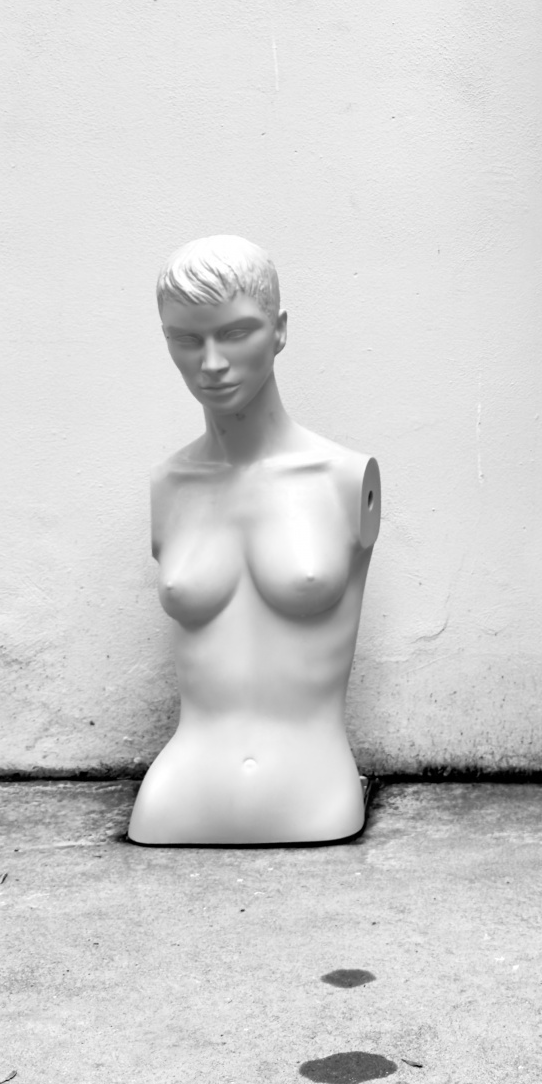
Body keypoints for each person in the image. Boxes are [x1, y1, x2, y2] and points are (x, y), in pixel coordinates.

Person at [128, 235, 380, 846]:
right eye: (186, 339)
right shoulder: (170, 484)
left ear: (280, 331)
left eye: (236, 332)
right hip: (178, 798)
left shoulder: (344, 479)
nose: (211, 362)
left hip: (314, 792)